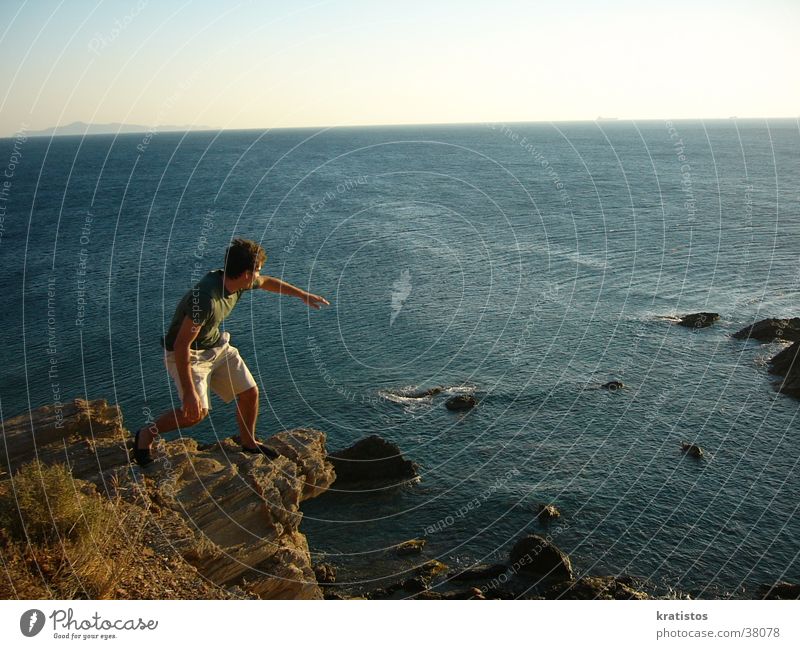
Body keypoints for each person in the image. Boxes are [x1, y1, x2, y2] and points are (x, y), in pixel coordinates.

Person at [133, 238, 329, 466]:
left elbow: (267, 283)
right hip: (189, 355)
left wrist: (302, 295)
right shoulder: (205, 299)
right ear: (246, 273)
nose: (258, 276)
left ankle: (248, 442)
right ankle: (147, 433)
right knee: (194, 414)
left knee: (250, 392)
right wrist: (188, 392)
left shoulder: (236, 282)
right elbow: (181, 345)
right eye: (257, 271)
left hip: (215, 345)